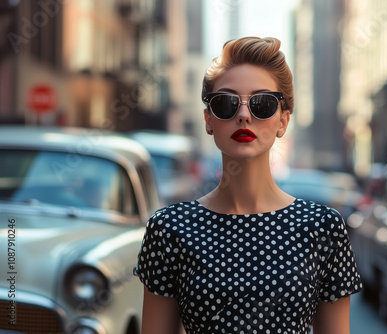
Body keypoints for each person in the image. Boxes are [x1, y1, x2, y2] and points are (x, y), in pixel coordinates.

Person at [135, 36, 362, 334]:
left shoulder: (323, 226)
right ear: (208, 120)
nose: (244, 115)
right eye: (227, 103)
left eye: (262, 103)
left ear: (283, 121)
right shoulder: (169, 228)